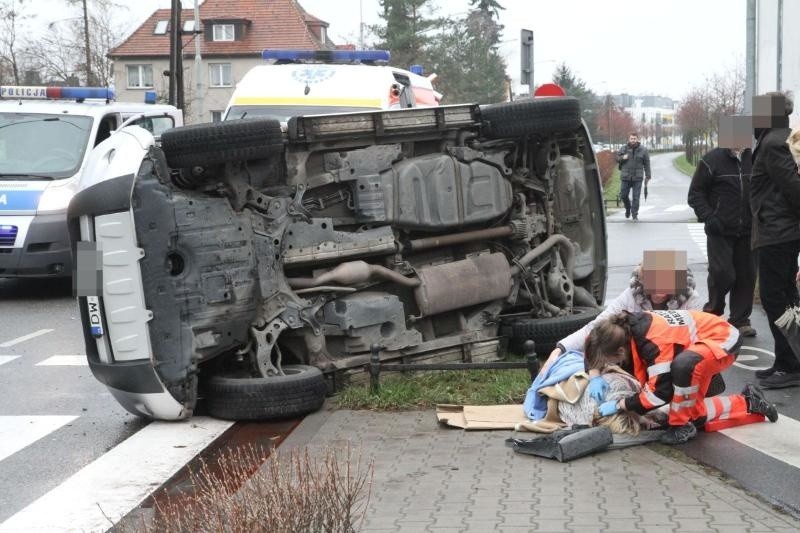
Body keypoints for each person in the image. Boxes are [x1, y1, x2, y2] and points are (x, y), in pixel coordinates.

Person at [583, 310, 778, 444]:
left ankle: (681, 426)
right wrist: (594, 376)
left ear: (620, 350)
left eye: (611, 361)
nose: (611, 365)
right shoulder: (612, 329)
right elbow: (592, 344)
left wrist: (620, 405)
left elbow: (659, 393)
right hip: (698, 344)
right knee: (697, 415)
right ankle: (749, 402)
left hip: (721, 339)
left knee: (683, 368)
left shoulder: (654, 343)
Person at [542, 250, 703, 372]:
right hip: (644, 358)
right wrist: (560, 348)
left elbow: (699, 339)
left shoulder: (691, 299)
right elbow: (598, 325)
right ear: (643, 279)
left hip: (680, 357)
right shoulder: (631, 295)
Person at [749, 92, 800, 389]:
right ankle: (787, 359)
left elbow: (793, 189)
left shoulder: (773, 143)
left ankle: (790, 364)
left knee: (775, 298)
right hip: (778, 231)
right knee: (785, 299)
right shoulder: (775, 138)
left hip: (777, 234)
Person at [688, 145, 757, 338]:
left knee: (746, 276)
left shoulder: (754, 158)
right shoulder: (711, 160)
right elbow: (695, 194)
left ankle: (740, 320)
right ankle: (713, 312)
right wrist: (709, 217)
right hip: (719, 229)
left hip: (748, 230)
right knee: (722, 273)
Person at [616, 132, 651, 221]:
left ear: (637, 139)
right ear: (629, 139)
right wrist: (622, 157)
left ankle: (634, 214)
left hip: (637, 177)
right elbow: (617, 158)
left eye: (634, 138)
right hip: (626, 176)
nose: (633, 140)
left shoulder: (643, 150)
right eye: (631, 138)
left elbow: (647, 163)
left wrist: (648, 175)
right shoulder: (623, 148)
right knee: (623, 195)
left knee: (636, 197)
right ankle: (628, 208)